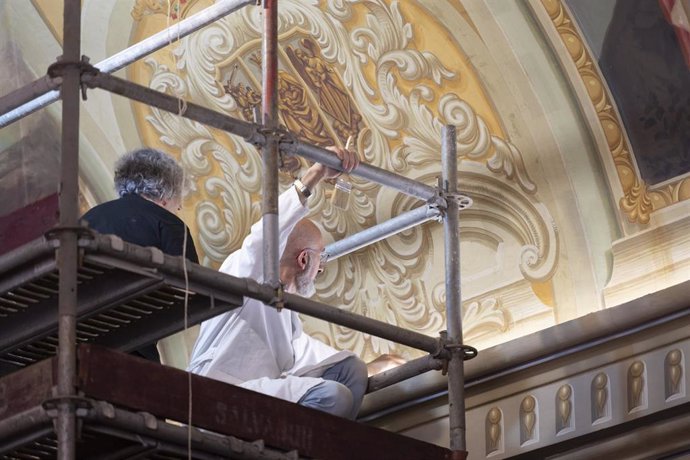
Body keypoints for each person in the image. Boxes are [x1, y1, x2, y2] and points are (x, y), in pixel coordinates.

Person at [188, 146, 369, 420]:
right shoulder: (248, 268)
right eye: (321, 260)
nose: (321, 269)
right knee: (333, 396)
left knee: (351, 369)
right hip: (218, 392)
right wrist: (316, 173)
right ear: (304, 260)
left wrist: (375, 367)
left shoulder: (287, 311)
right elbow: (266, 234)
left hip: (260, 395)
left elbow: (305, 356)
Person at [82, 147, 198, 362]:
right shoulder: (168, 222)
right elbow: (190, 292)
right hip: (130, 346)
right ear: (166, 193)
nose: (179, 207)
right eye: (179, 199)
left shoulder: (88, 217)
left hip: (77, 336)